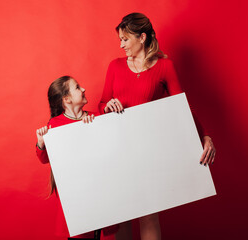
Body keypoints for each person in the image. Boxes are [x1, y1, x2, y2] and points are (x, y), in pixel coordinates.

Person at [98, 13, 216, 240]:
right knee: (122, 213)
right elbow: (101, 103)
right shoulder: (115, 66)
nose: (121, 45)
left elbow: (183, 107)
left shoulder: (164, 66)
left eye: (125, 39)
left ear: (142, 37)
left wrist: (205, 136)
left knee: (148, 213)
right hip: (118, 148)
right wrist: (106, 107)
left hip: (147, 150)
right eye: (120, 40)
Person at [36, 76, 117, 239]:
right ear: (66, 99)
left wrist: (94, 128)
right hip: (74, 194)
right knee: (80, 233)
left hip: (97, 189)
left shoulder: (95, 117)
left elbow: (109, 151)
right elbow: (45, 159)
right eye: (78, 87)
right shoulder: (55, 124)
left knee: (98, 230)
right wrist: (41, 142)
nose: (84, 89)